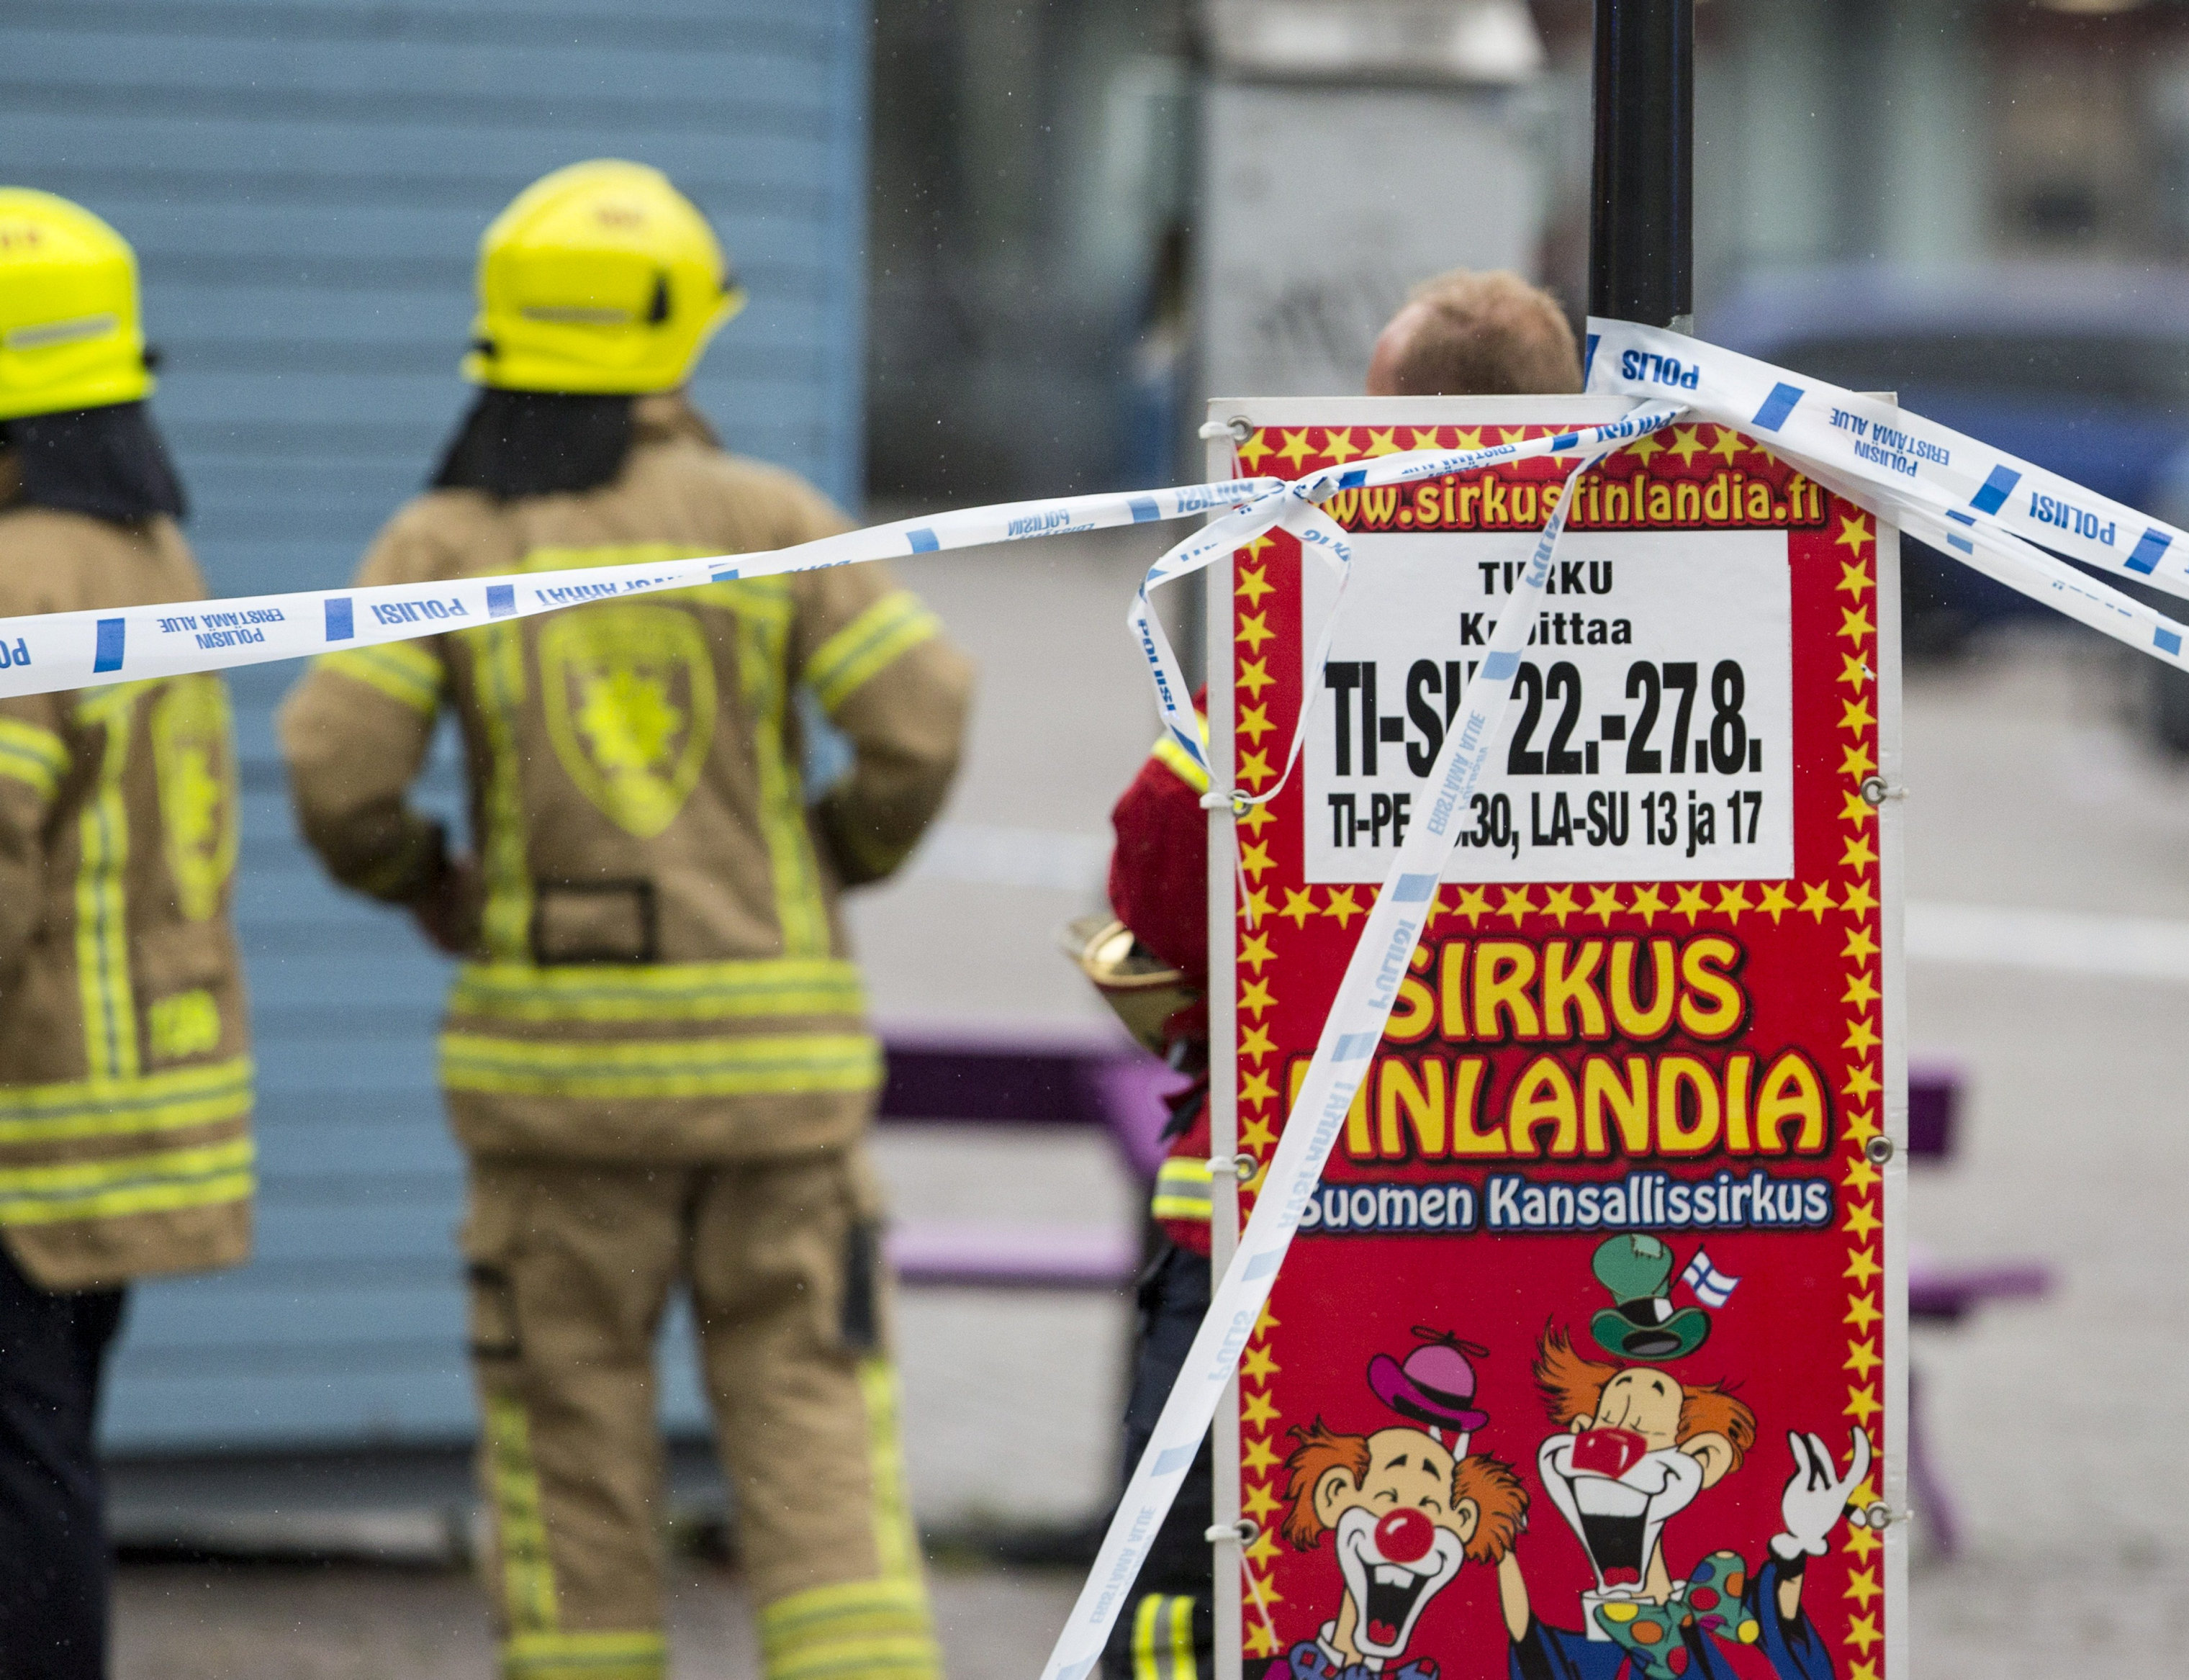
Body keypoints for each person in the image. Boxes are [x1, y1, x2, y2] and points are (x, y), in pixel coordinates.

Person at [278, 161, 972, 1680]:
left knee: (570, 1458)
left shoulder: (445, 546)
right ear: (679, 339)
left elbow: (335, 771)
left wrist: (428, 885)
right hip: (776, 1096)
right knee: (813, 1440)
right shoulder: (765, 519)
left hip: (558, 1099)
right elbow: (923, 717)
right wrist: (820, 860)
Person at [1079, 267, 1584, 1680]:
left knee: (1201, 1591)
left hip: (1263, 1240)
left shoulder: (1300, 620)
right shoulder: (1640, 626)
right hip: (1525, 1220)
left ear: (1397, 425)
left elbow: (1157, 879)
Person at [0, 189, 253, 1680]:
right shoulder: (150, 553)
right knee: (50, 1451)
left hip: (29, 1110)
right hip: (130, 1099)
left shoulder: (22, 575)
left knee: (19, 1469)